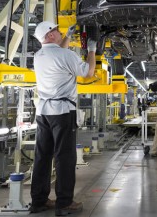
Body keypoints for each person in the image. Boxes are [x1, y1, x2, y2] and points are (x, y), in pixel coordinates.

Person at [30, 21, 96, 216]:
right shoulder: (66, 55)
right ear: (50, 36)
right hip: (62, 112)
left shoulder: (39, 55)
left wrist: (67, 36)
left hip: (43, 112)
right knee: (64, 157)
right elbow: (88, 72)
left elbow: (58, 54)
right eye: (57, 31)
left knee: (42, 156)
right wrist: (91, 50)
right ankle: (64, 203)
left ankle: (38, 201)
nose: (59, 32)